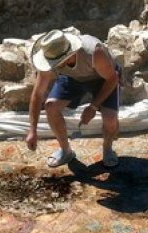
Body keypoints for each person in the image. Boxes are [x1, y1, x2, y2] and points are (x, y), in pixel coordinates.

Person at [26, 29, 121, 168]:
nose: (52, 67)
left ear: (68, 55)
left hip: (102, 77)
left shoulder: (94, 52)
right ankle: (66, 151)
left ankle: (108, 148)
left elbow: (113, 79)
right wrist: (32, 130)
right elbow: (38, 94)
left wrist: (93, 106)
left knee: (110, 118)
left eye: (56, 63)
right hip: (72, 78)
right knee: (50, 106)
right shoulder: (50, 57)